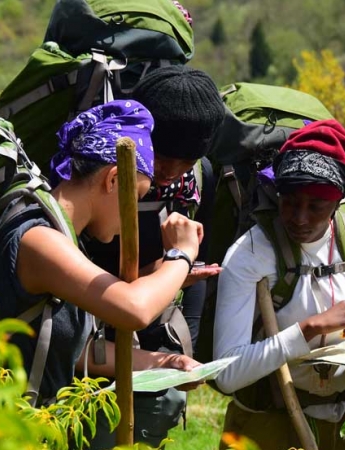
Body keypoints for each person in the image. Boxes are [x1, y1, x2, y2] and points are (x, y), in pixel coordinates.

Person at [0, 100, 204, 411]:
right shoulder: (39, 238)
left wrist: (165, 363)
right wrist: (181, 254)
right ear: (113, 179)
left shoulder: (62, 235)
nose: (134, 215)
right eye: (136, 197)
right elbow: (134, 308)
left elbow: (76, 349)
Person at [213, 119, 345, 450]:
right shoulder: (252, 251)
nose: (300, 218)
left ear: (338, 202)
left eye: (316, 207)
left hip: (341, 423)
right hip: (265, 420)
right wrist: (309, 329)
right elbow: (226, 374)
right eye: (290, 202)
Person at [81, 65, 226, 448]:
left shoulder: (198, 180)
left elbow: (192, 269)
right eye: (162, 159)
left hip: (147, 322)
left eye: (185, 162)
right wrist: (165, 268)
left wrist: (184, 346)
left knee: (152, 414)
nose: (170, 173)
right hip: (86, 321)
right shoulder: (104, 170)